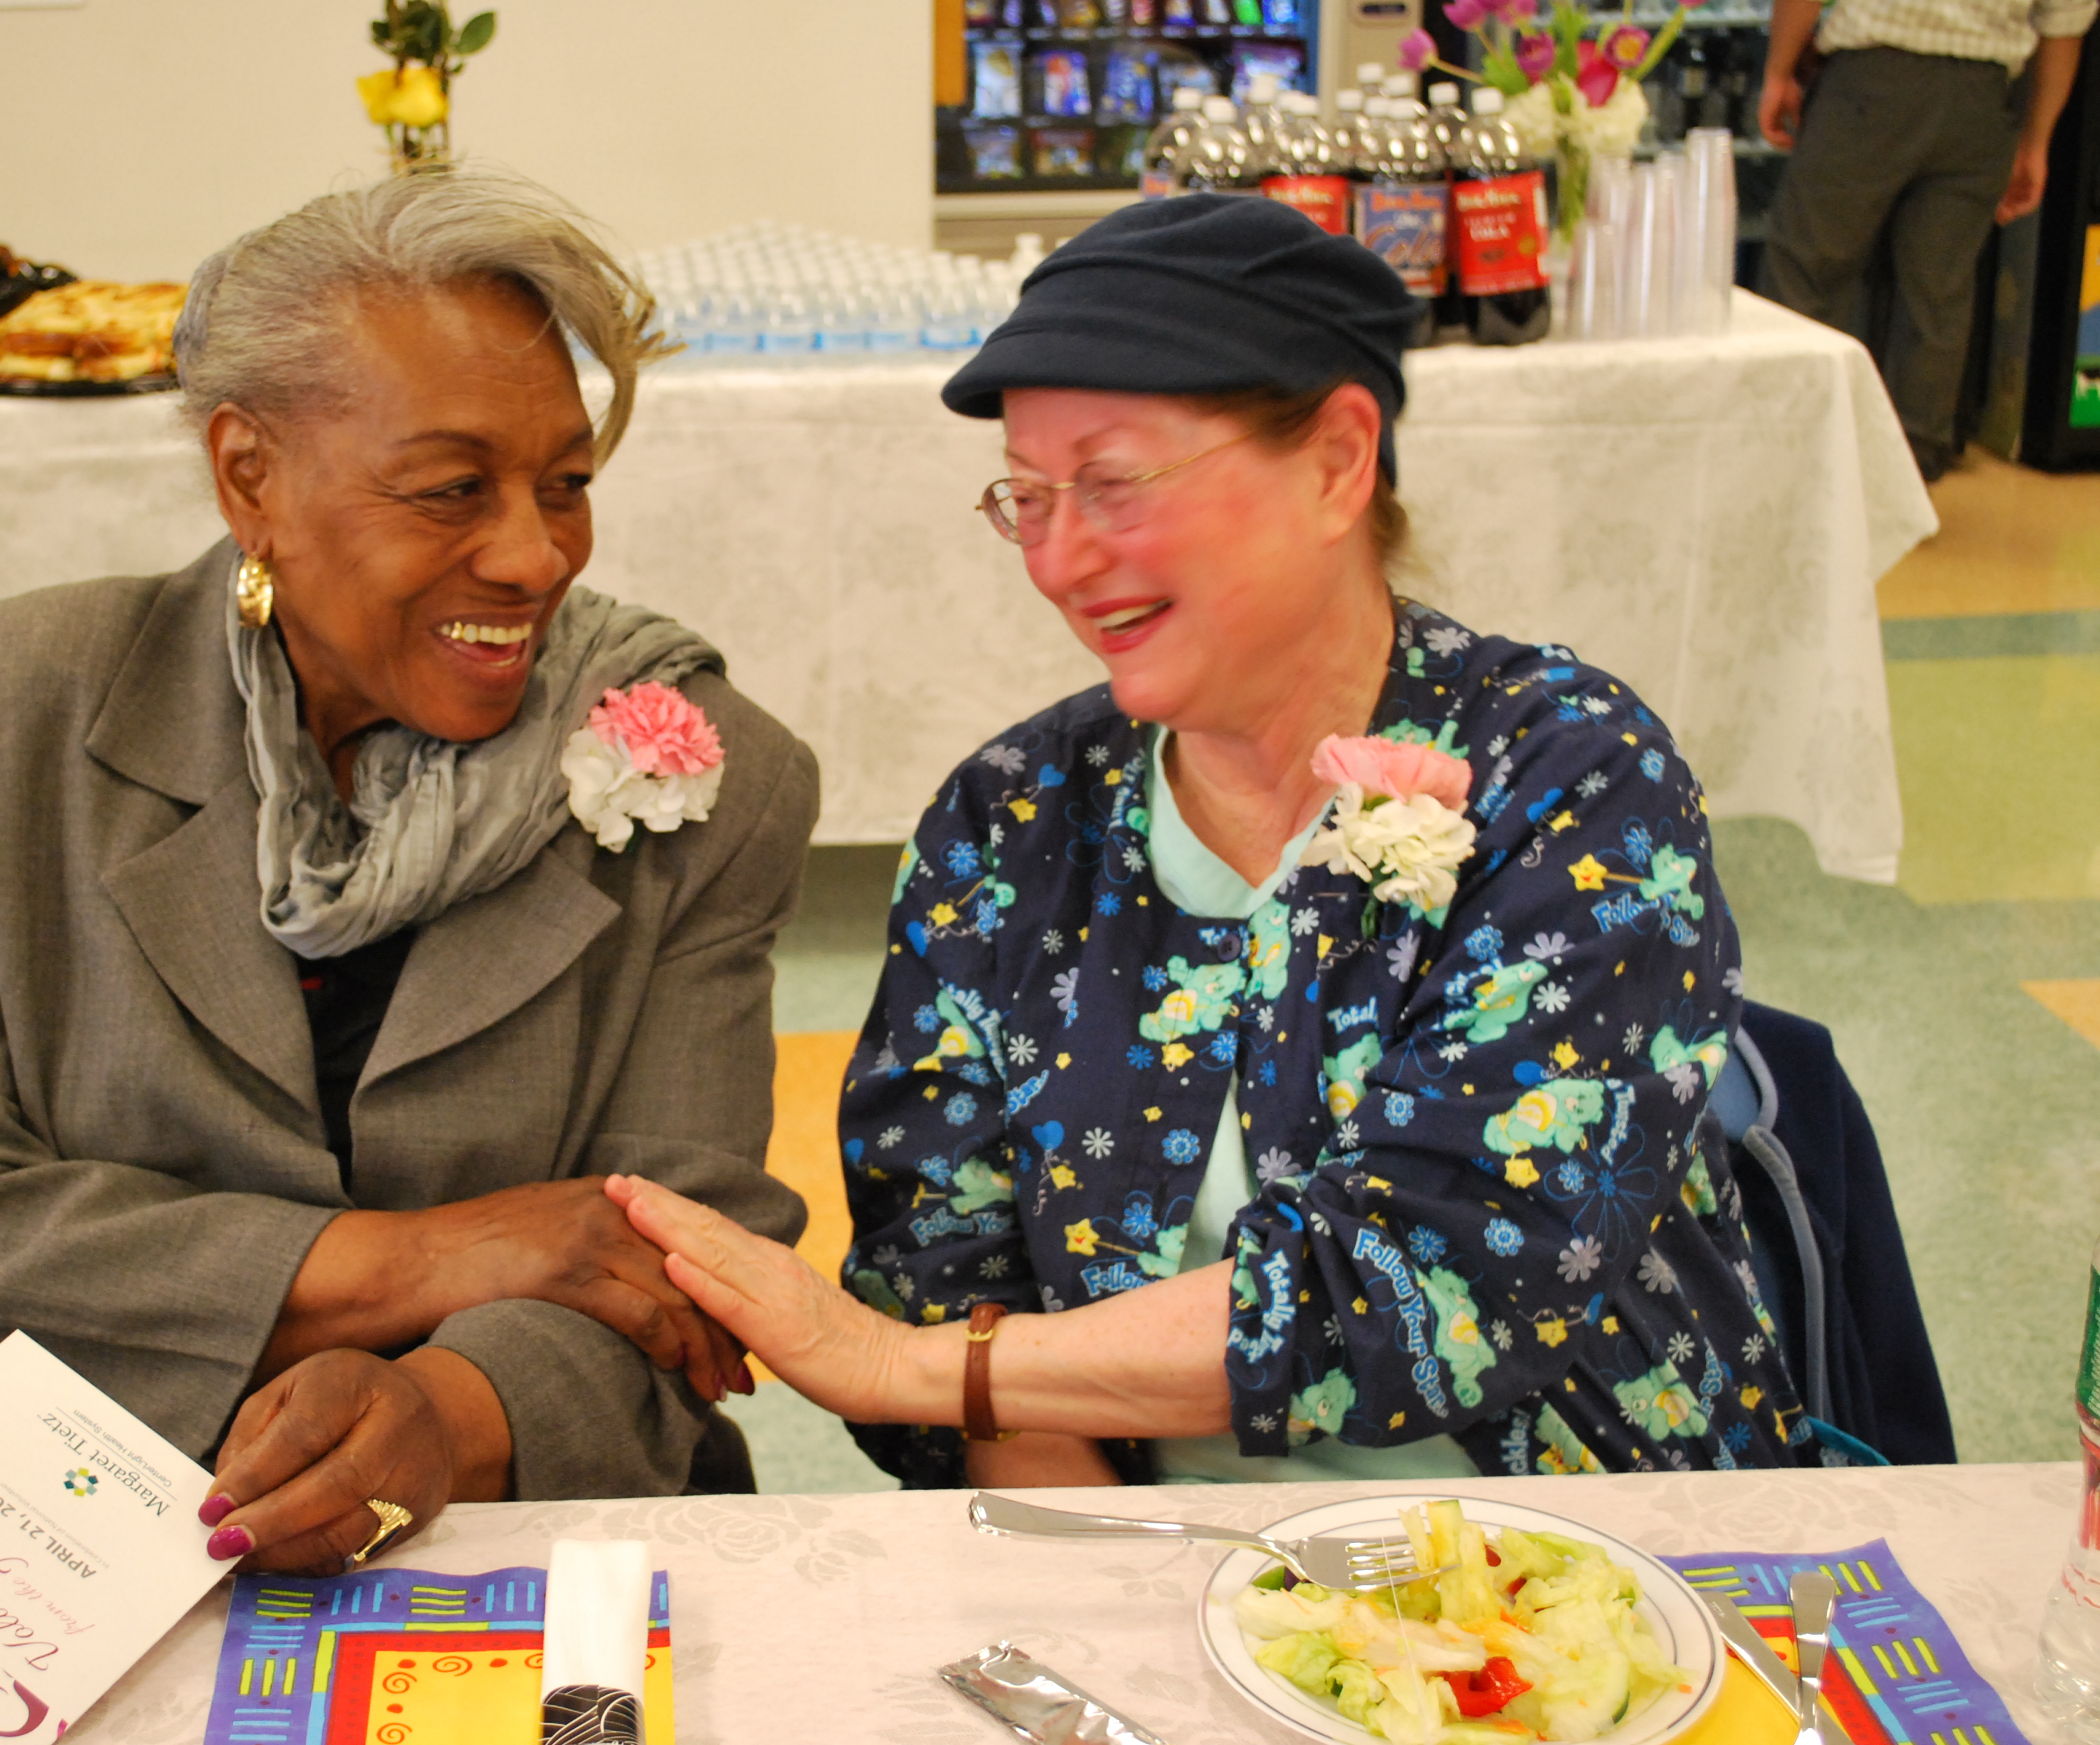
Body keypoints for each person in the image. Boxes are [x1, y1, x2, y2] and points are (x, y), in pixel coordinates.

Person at [615, 195, 1810, 1489]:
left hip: (1569, 1555)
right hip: (1134, 1555)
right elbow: (943, 1264)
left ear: (1337, 462)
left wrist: (908, 1366)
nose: (1061, 561)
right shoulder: (1008, 822)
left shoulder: (1571, 780)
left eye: (1113, 485)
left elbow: (1445, 1280)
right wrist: (1109, 1577)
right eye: (1028, 497)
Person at [0, 166, 816, 1575]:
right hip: (17, 1493)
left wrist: (446, 1412)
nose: (535, 555)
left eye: (566, 484)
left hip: (510, 1493)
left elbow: (689, 1261)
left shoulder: (694, 768)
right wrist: (430, 1256)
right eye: (451, 490)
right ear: (248, 476)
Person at [1759, 0, 2091, 480]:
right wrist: (2037, 141)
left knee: (1807, 272)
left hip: (1873, 80)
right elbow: (2066, 24)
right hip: (1984, 98)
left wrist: (1778, 71)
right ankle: (1910, 473)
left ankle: (1787, 457)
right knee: (1938, 295)